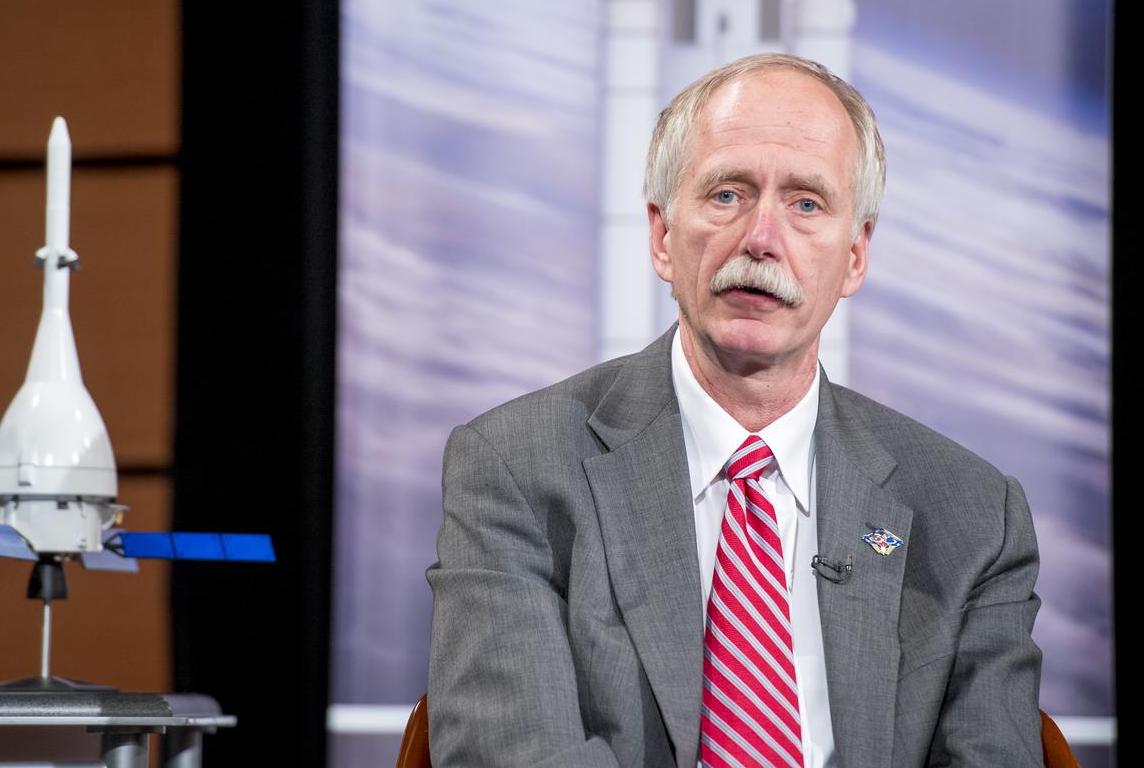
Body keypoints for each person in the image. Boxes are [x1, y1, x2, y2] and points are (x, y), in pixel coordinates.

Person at [426, 53, 1043, 767]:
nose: (759, 238)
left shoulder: (972, 517)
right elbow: (513, 752)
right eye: (726, 194)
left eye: (806, 203)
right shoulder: (516, 470)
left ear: (853, 256)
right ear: (661, 234)